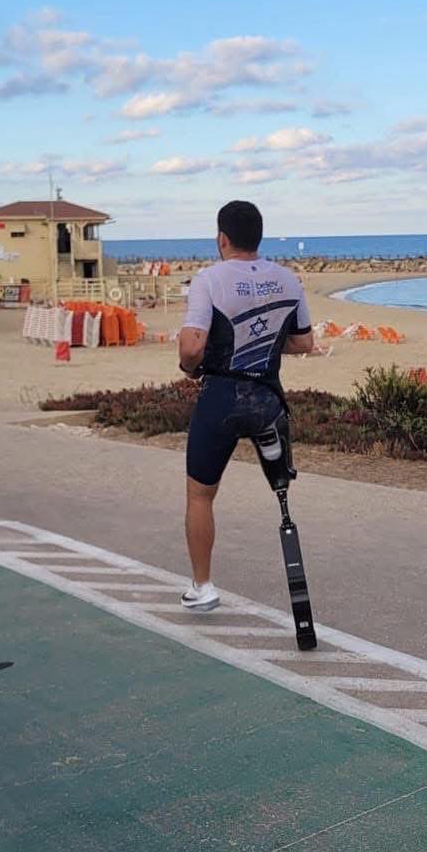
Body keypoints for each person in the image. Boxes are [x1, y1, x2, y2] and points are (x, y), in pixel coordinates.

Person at [177, 201, 315, 612]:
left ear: (222, 238)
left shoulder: (209, 280)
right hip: (268, 402)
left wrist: (189, 367)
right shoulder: (288, 280)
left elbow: (192, 346)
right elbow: (304, 342)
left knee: (200, 496)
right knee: (281, 493)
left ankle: (203, 587)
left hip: (220, 398)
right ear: (259, 237)